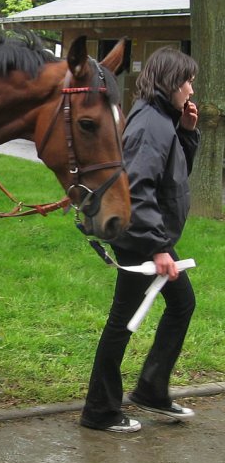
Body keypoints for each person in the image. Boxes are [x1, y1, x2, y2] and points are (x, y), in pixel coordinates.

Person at [80, 47, 200, 433]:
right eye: (187, 80)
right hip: (140, 235)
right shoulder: (150, 123)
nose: (191, 89)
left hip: (149, 232)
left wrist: (187, 133)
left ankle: (151, 389)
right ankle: (100, 410)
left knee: (181, 304)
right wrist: (158, 248)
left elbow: (173, 177)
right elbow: (138, 188)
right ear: (170, 81)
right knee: (124, 321)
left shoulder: (163, 119)